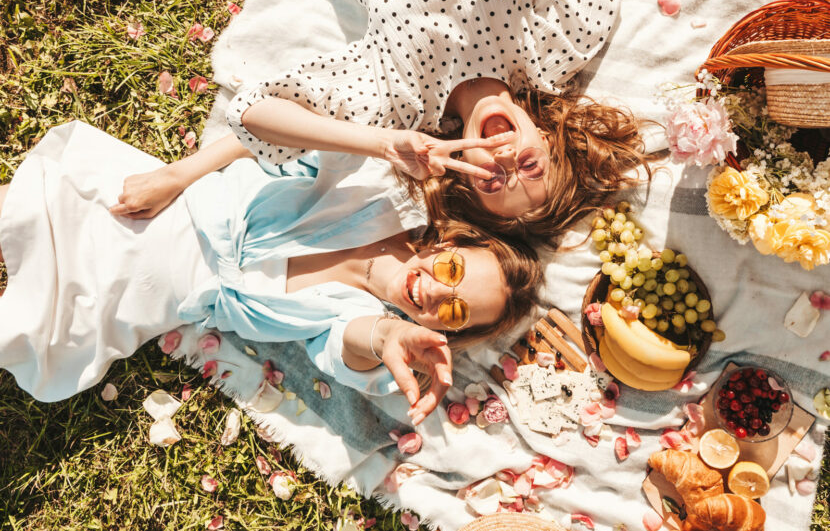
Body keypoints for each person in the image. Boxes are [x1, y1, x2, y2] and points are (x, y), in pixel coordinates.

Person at [0, 122, 541, 424]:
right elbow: (270, 127)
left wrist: (391, 334)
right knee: (22, 215)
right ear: (449, 243)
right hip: (159, 211)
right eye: (451, 269)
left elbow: (349, 347)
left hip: (135, 302)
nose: (435, 290)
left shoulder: (359, 318)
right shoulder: (375, 188)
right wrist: (177, 173)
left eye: (452, 310)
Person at [215, 0, 651, 243]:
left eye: (493, 180)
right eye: (529, 165)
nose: (504, 158)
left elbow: (253, 114)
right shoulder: (550, 48)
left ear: (463, 172)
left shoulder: (404, 104)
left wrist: (383, 144)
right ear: (547, 139)